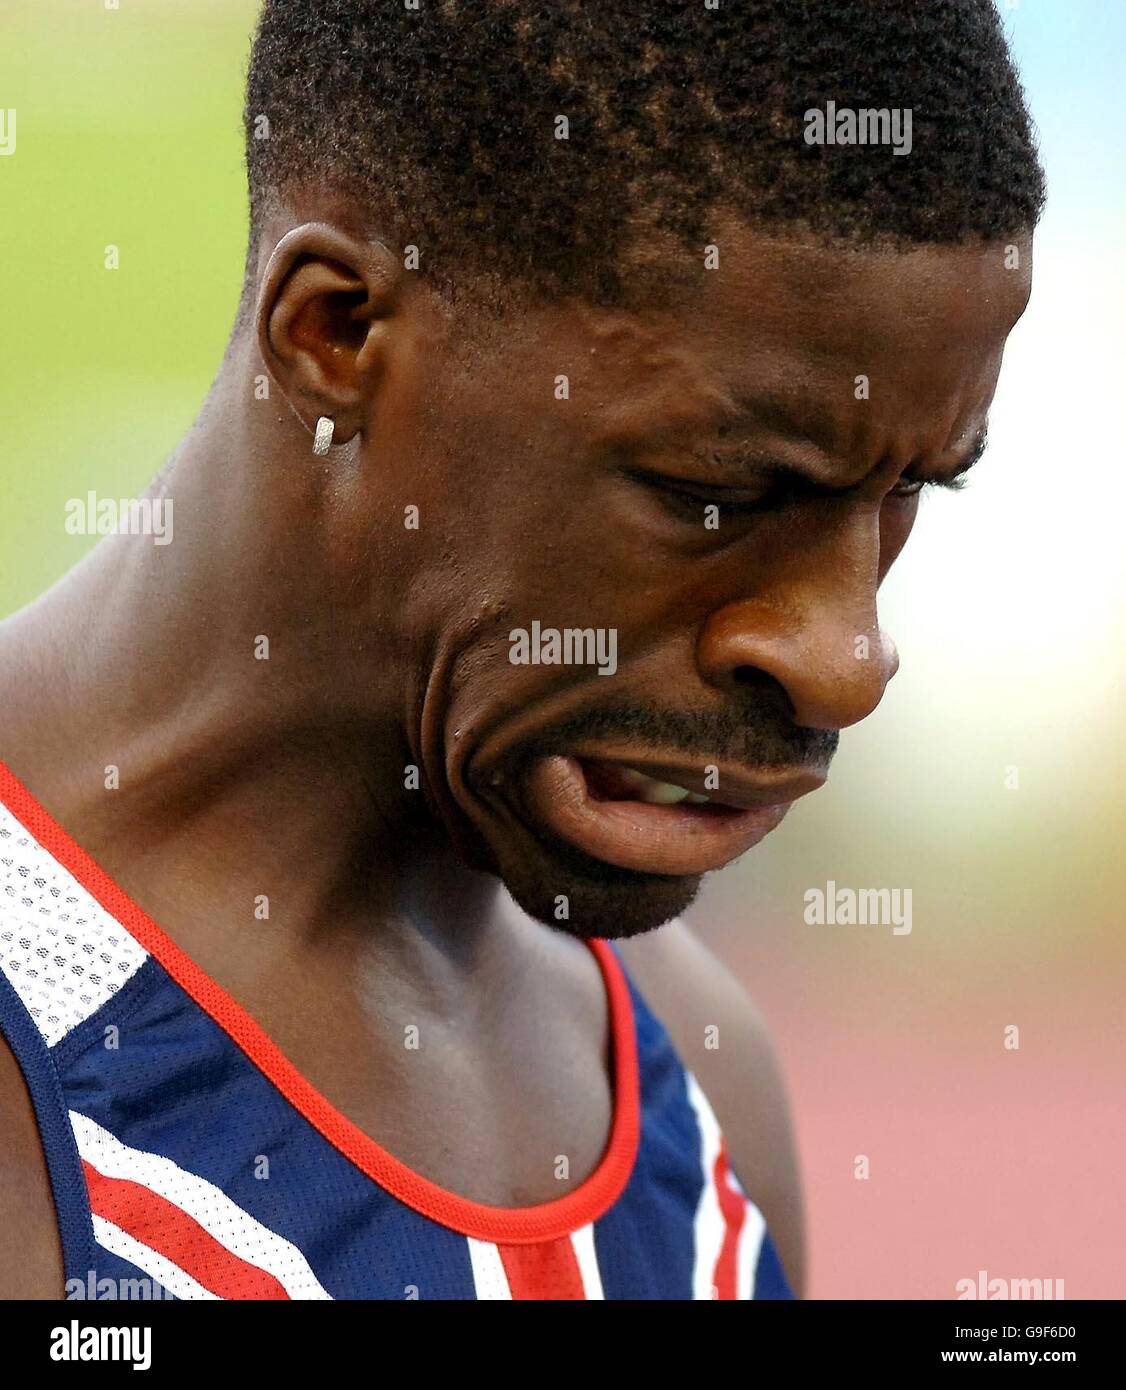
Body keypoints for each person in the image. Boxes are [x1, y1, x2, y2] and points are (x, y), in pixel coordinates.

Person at [0, 0, 1044, 1300]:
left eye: (907, 491)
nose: (841, 660)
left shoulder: (696, 1081)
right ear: (336, 333)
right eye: (714, 492)